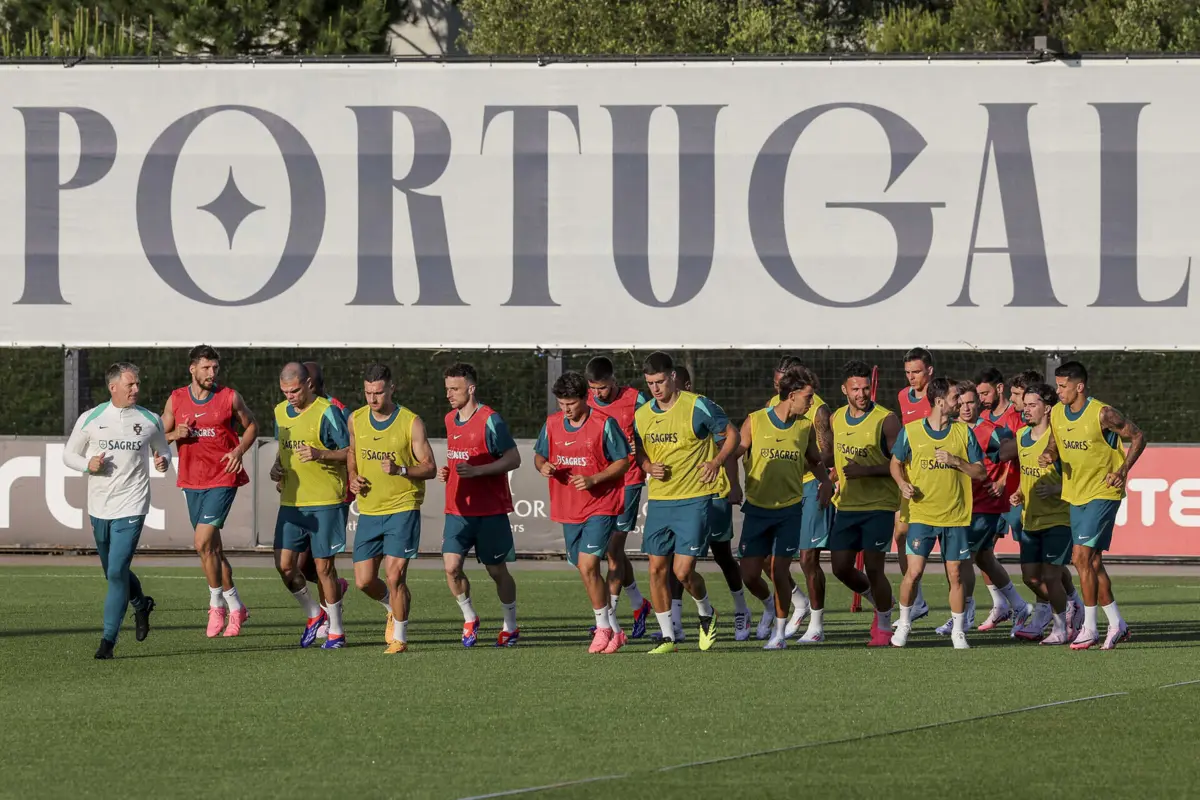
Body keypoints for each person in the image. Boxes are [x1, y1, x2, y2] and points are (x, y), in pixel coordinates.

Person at [63, 362, 171, 659]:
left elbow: (163, 449)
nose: (136, 389)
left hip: (133, 504)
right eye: (130, 385)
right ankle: (141, 604)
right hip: (99, 506)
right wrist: (88, 464)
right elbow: (68, 454)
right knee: (113, 572)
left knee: (116, 570)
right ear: (113, 387)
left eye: (137, 384)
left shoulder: (150, 419)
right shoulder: (92, 418)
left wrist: (163, 461)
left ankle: (107, 642)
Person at [633, 352, 738, 653]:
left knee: (682, 572)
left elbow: (729, 434)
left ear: (673, 377)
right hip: (660, 500)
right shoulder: (643, 414)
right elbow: (639, 448)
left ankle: (706, 612)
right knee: (655, 569)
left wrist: (717, 461)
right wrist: (646, 466)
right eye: (650, 383)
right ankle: (668, 636)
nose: (655, 388)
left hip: (693, 499)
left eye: (660, 381)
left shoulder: (697, 405)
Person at [1040, 361, 1146, 650]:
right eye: (1057, 385)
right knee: (1093, 562)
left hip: (1104, 492)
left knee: (1081, 558)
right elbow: (1054, 442)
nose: (1058, 391)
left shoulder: (1102, 413)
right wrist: (1050, 455)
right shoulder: (1058, 414)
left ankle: (1089, 628)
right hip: (1076, 494)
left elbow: (1137, 436)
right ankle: (1117, 623)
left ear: (1079, 386)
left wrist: (1122, 471)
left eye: (1063, 386)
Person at [734, 368, 834, 650]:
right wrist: (729, 479)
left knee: (780, 569)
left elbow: (814, 460)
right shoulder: (755, 421)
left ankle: (778, 634)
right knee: (750, 573)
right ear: (791, 396)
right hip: (756, 509)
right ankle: (769, 606)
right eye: (808, 397)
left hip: (790, 510)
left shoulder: (804, 427)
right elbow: (736, 452)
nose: (811, 402)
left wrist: (825, 482)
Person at [161, 345, 257, 638]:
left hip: (223, 477)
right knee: (212, 549)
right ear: (192, 369)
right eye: (206, 368)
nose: (211, 373)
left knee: (202, 541)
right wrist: (174, 436)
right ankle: (236, 606)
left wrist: (239, 449)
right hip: (192, 480)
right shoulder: (176, 399)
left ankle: (216, 605)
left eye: (215, 368)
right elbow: (159, 436)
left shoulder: (228, 396)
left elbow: (252, 424)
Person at [535, 371, 632, 653]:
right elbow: (540, 455)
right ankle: (614, 629)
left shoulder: (604, 424)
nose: (566, 409)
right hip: (568, 507)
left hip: (601, 505)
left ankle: (602, 629)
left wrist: (593, 479)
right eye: (561, 403)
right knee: (584, 569)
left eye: (571, 404)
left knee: (590, 565)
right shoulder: (552, 424)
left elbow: (623, 462)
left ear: (585, 398)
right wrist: (543, 466)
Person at [889, 377, 988, 649]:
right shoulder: (910, 431)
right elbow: (895, 463)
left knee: (955, 576)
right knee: (914, 572)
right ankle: (905, 624)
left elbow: (980, 472)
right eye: (956, 397)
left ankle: (958, 631)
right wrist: (902, 484)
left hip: (955, 517)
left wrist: (957, 461)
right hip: (921, 515)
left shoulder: (963, 433)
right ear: (940, 401)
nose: (960, 402)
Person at [347, 363, 437, 653]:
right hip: (370, 509)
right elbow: (352, 452)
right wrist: (352, 478)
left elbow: (430, 468)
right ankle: (391, 607)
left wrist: (400, 470)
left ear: (391, 389)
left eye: (378, 393)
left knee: (395, 575)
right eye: (368, 393)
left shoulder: (411, 422)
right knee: (363, 581)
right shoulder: (356, 419)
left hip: (402, 507)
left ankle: (400, 637)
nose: (373, 399)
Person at [932, 381, 1030, 635]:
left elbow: (1018, 453)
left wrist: (1001, 481)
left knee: (962, 559)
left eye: (970, 402)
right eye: (961, 403)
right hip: (957, 505)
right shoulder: (950, 430)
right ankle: (1018, 605)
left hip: (984, 506)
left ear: (979, 403)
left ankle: (963, 615)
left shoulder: (993, 431)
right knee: (984, 557)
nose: (965, 408)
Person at [440, 363, 523, 648]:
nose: (449, 394)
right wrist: (448, 472)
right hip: (457, 510)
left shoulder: (491, 420)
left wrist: (478, 471)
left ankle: (510, 625)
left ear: (471, 389)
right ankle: (469, 617)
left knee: (497, 571)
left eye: (455, 389)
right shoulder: (450, 419)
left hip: (490, 511)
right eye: (447, 388)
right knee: (451, 567)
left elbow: (513, 459)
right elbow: (459, 458)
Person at [272, 362, 351, 649]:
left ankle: (337, 631)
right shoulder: (280, 412)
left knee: (323, 568)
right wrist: (276, 469)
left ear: (308, 385)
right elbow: (283, 451)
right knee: (284, 566)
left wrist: (320, 453)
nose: (289, 396)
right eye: (284, 391)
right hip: (292, 502)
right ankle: (314, 614)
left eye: (294, 390)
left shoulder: (327, 411)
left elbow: (350, 452)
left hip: (325, 501)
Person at [828, 360, 901, 647]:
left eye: (865, 388)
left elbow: (900, 463)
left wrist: (866, 471)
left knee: (874, 567)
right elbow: (836, 457)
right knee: (840, 567)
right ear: (844, 389)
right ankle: (879, 599)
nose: (861, 393)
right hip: (846, 505)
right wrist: (827, 478)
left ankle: (884, 626)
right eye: (855, 388)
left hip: (878, 506)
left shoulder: (887, 419)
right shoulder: (836, 418)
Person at [584, 356, 653, 637]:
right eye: (593, 388)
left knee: (613, 550)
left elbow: (654, 429)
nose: (598, 393)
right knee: (613, 551)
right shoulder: (585, 401)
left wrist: (645, 455)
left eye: (602, 387)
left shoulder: (635, 399)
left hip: (629, 481)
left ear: (614, 380)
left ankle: (609, 620)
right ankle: (638, 604)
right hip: (601, 485)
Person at [765, 358, 833, 643]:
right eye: (777, 382)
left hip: (809, 486)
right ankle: (799, 601)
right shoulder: (772, 405)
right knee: (768, 560)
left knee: (807, 559)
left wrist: (800, 463)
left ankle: (816, 625)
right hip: (781, 489)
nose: (779, 387)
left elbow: (827, 454)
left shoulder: (817, 409)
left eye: (784, 382)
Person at [1008, 369, 1083, 627]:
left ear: (1048, 408)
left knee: (1052, 576)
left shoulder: (1061, 439)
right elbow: (1027, 474)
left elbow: (1078, 476)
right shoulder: (1020, 437)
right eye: (1025, 405)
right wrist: (1019, 491)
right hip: (1030, 519)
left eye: (1032, 405)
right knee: (1030, 578)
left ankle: (1062, 626)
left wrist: (1056, 489)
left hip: (1057, 518)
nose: (1026, 410)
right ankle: (1070, 602)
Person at [891, 347, 934, 625]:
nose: (911, 378)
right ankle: (916, 602)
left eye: (916, 372)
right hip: (909, 478)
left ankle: (965, 608)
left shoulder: (940, 396)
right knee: (901, 535)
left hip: (935, 477)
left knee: (955, 552)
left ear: (929, 370)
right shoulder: (903, 396)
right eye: (907, 372)